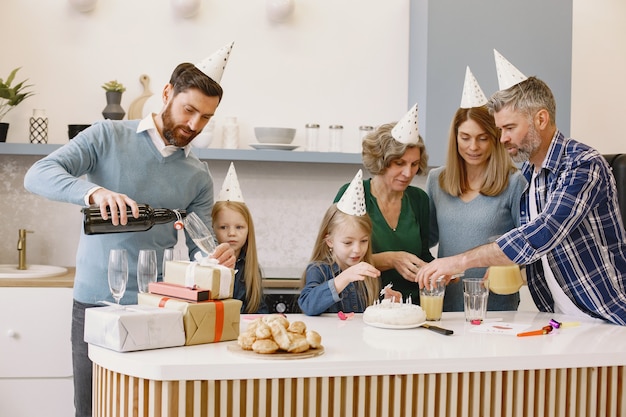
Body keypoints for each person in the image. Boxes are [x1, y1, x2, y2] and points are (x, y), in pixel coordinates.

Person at [23, 43, 237, 417]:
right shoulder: (106, 136)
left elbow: (202, 242)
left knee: (149, 410)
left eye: (206, 117)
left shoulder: (198, 175)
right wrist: (93, 191)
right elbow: (37, 175)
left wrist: (215, 257)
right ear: (167, 93)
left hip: (158, 311)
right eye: (189, 110)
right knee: (91, 409)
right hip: (94, 303)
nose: (194, 125)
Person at [417, 51, 626, 325]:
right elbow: (539, 257)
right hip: (557, 316)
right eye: (500, 129)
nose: (501, 139)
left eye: (509, 128)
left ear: (540, 119)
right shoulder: (530, 174)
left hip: (604, 315)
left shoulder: (583, 165)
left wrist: (455, 262)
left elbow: (540, 235)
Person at [426, 67, 526, 312]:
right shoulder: (436, 180)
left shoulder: (514, 183)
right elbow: (425, 242)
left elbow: (529, 248)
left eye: (482, 138)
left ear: (495, 138)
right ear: (455, 137)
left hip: (496, 307)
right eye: (465, 137)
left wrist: (508, 267)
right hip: (445, 305)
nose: (473, 147)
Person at [334, 104, 434, 303]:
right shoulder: (353, 193)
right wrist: (390, 259)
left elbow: (422, 254)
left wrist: (440, 270)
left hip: (411, 306)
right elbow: (336, 260)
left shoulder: (418, 199)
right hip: (364, 304)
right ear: (380, 161)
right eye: (399, 163)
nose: (408, 173)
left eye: (414, 164)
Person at [299, 170, 399, 315]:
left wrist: (387, 302)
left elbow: (370, 312)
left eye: (364, 241)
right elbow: (308, 305)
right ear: (330, 241)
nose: (357, 250)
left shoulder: (367, 273)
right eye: (347, 243)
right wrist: (345, 277)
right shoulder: (318, 269)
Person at [212, 162, 269, 314]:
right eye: (224, 227)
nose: (232, 233)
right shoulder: (206, 267)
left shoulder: (252, 269)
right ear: (213, 229)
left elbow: (259, 310)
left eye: (239, 227)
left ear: (248, 230)